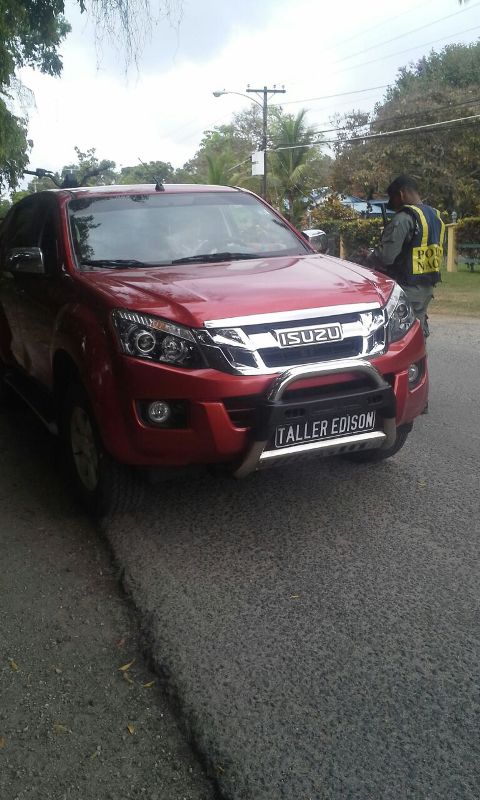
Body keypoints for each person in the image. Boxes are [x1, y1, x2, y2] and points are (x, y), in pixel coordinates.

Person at [365, 175, 446, 338]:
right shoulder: (436, 217)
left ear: (401, 194)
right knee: (418, 329)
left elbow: (386, 257)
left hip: (405, 288)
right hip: (426, 288)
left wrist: (370, 256)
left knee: (399, 336)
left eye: (392, 199)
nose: (393, 205)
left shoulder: (404, 218)